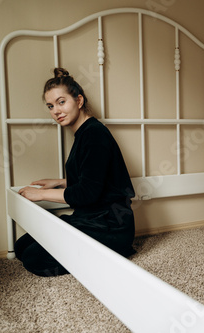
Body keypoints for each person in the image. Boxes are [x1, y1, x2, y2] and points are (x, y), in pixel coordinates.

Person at [15, 67, 136, 277]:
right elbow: (95, 176)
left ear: (79, 101)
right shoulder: (83, 133)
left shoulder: (95, 134)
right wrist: (61, 181)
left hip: (110, 225)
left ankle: (111, 252)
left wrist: (41, 194)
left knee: (35, 259)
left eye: (62, 102)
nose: (56, 111)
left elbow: (87, 193)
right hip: (89, 218)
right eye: (51, 106)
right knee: (22, 247)